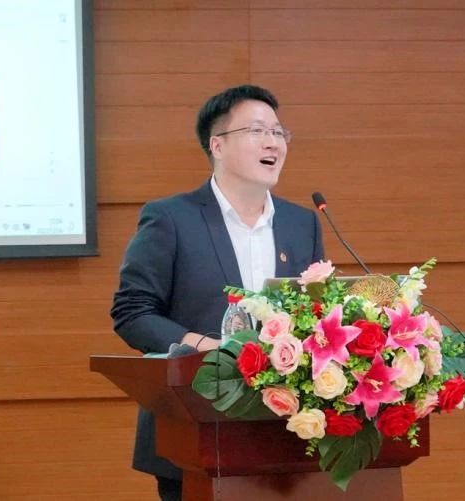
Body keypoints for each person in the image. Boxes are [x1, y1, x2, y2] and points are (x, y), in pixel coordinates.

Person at [110, 84, 325, 500]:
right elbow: (133, 312)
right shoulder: (171, 218)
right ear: (218, 145)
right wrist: (202, 347)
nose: (273, 143)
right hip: (193, 429)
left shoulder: (302, 224)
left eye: (279, 132)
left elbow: (313, 313)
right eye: (257, 131)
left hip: (286, 438)